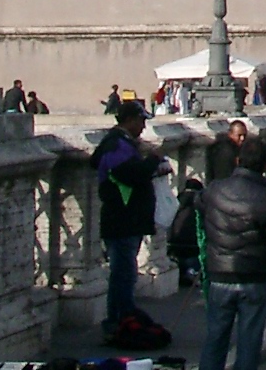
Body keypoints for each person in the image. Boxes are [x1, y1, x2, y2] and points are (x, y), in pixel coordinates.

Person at [199, 135, 266, 370]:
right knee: (249, 343)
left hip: (220, 273)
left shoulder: (215, 190)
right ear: (265, 165)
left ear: (238, 160)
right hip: (253, 277)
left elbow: (199, 205)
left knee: (215, 338)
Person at [92, 101, 168, 346]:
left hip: (125, 220)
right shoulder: (117, 145)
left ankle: (121, 321)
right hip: (122, 220)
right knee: (123, 276)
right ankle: (119, 323)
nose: (143, 126)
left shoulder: (120, 144)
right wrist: (152, 161)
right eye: (141, 121)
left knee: (124, 274)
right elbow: (129, 174)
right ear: (129, 120)